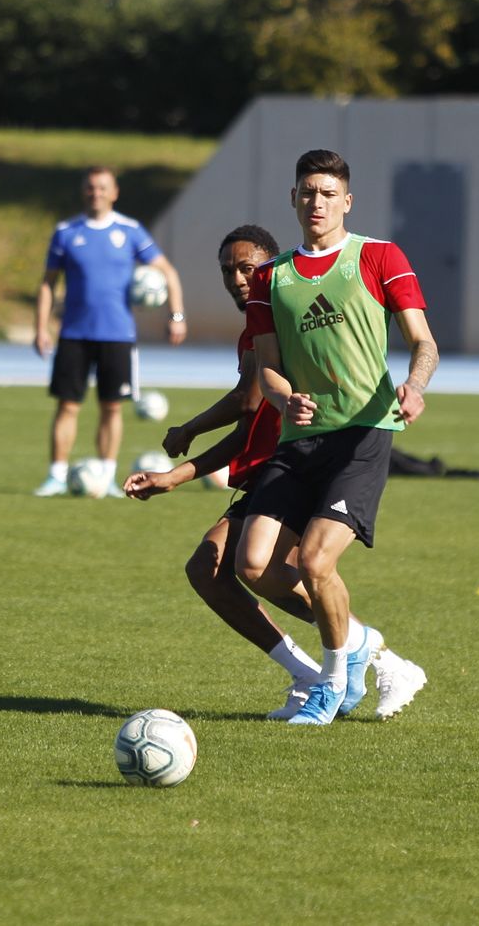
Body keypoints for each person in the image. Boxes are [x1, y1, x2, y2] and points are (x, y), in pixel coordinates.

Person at [124, 224, 428, 720]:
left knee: (283, 567)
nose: (239, 279)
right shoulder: (259, 326)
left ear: (270, 266)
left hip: (300, 457)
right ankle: (320, 671)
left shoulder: (281, 308)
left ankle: (366, 659)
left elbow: (247, 407)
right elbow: (252, 410)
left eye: (248, 268)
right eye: (229, 271)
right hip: (278, 461)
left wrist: (182, 455)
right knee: (218, 569)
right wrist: (181, 459)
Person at [235, 149, 440, 726]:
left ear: (346, 202)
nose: (317, 202)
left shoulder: (378, 256)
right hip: (299, 440)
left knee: (314, 562)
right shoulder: (271, 276)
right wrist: (281, 398)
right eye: (307, 191)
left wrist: (415, 385)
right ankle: (363, 644)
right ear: (293, 199)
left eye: (328, 193)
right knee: (254, 566)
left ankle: (328, 687)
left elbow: (424, 342)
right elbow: (267, 367)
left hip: (363, 434)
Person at [32, 166, 186, 498]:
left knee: (112, 407)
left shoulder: (131, 232)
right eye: (90, 187)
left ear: (114, 192)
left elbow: (168, 273)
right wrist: (40, 326)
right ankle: (57, 475)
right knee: (67, 405)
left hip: (117, 335)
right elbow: (48, 284)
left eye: (103, 188)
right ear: (83, 191)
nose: (96, 193)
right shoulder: (66, 231)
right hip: (74, 333)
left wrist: (176, 315)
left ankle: (106, 475)